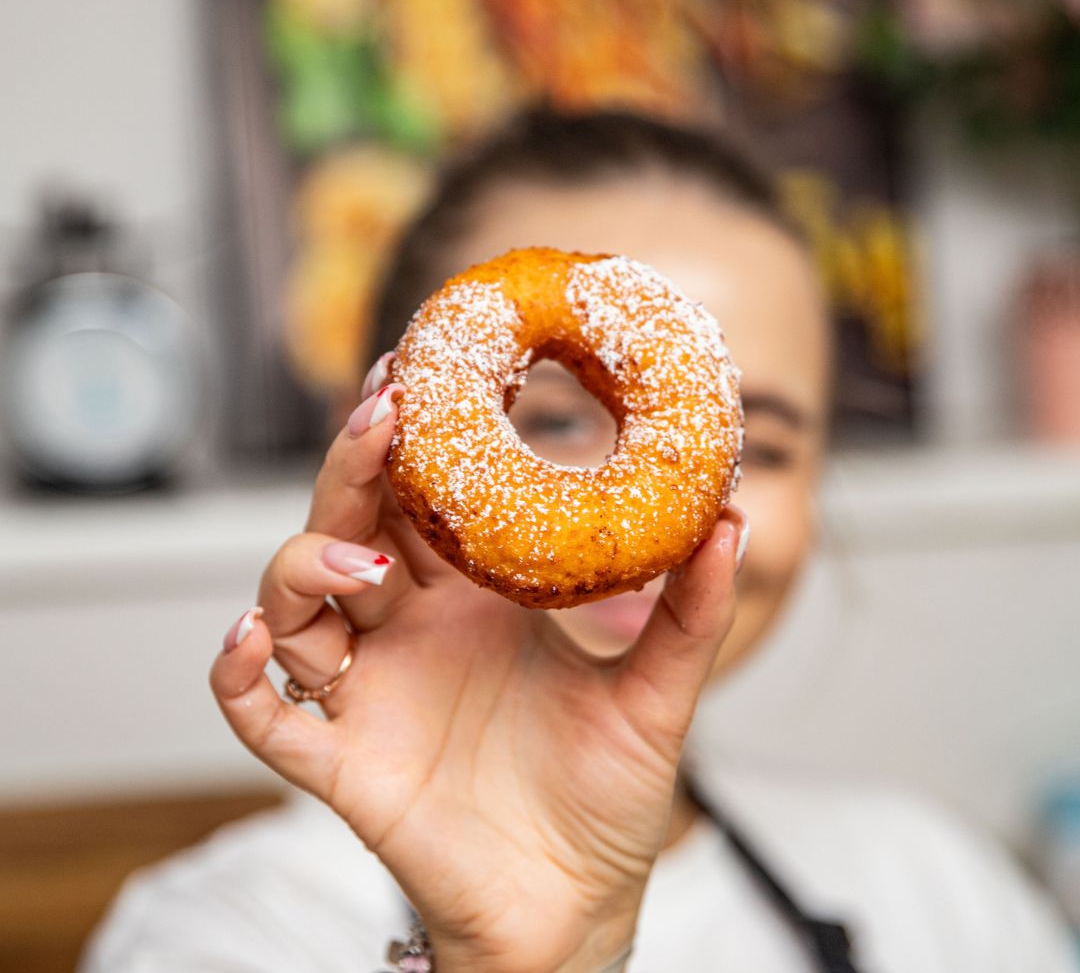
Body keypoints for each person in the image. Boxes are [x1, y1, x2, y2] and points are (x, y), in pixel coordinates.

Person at [82, 109, 1078, 972]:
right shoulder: (221, 932)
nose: (654, 531)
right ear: (386, 435)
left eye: (754, 447)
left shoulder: (936, 893)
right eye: (547, 422)